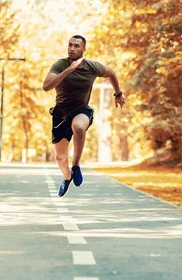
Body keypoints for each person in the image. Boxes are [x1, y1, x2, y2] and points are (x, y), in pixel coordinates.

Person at [42, 35, 126, 197]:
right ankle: (67, 177)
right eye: (70, 45)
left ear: (83, 49)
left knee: (79, 127)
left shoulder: (92, 67)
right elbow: (46, 86)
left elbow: (112, 73)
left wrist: (118, 93)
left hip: (81, 110)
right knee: (60, 158)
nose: (72, 49)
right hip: (60, 114)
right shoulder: (60, 65)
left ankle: (76, 165)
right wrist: (69, 70)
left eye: (76, 46)